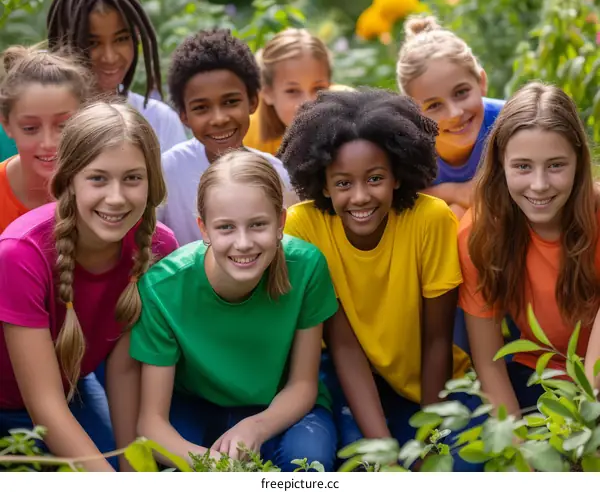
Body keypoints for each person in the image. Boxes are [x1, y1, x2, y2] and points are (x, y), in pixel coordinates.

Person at [279, 89, 477, 470]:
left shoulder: (431, 220)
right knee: (366, 466)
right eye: (342, 183)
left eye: (374, 179)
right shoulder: (304, 227)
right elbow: (344, 346)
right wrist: (385, 451)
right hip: (352, 384)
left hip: (430, 382)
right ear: (322, 184)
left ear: (398, 177)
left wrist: (431, 437)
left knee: (459, 465)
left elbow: (437, 339)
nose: (360, 197)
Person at [131, 149, 338, 471]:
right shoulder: (163, 289)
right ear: (203, 229)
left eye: (258, 224)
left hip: (281, 406)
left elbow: (303, 385)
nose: (243, 243)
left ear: (281, 221)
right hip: (196, 404)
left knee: (309, 463)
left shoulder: (306, 267)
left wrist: (256, 426)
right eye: (226, 227)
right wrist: (210, 465)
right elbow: (151, 425)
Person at [0, 101, 178, 471]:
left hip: (71, 393)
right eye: (98, 178)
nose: (116, 198)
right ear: (69, 181)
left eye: (133, 178)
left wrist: (131, 472)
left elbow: (124, 369)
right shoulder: (20, 254)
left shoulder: (158, 248)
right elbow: (44, 405)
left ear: (152, 182)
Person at [459, 83, 600, 414]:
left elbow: (594, 382)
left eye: (555, 165)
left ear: (578, 163)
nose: (539, 185)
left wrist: (585, 424)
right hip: (539, 374)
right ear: (501, 163)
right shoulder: (479, 234)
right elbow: (489, 363)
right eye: (523, 166)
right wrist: (519, 454)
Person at [159, 29, 293, 246]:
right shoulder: (166, 172)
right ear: (184, 116)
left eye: (230, 102)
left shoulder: (277, 175)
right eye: (201, 108)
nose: (219, 119)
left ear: (252, 102)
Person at [47, 0, 187, 152]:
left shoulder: (159, 121)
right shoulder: (41, 124)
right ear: (65, 41)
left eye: (121, 39)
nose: (109, 57)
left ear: (137, 34)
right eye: (92, 43)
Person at [397, 16, 504, 220]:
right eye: (434, 105)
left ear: (481, 82)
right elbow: (397, 197)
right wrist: (455, 192)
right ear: (412, 113)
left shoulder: (508, 122)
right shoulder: (409, 149)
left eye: (461, 92)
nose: (455, 113)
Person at [0, 45, 94, 233]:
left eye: (63, 126)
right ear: (7, 126)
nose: (49, 143)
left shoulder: (103, 187)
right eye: (30, 128)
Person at [244, 28, 352, 156]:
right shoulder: (249, 135)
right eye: (292, 91)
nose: (308, 103)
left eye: (318, 88)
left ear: (330, 85)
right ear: (267, 93)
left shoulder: (351, 115)